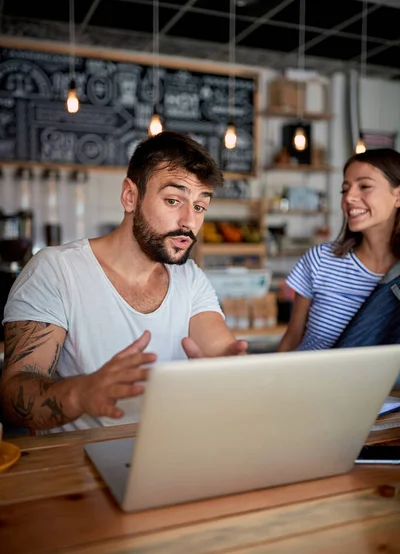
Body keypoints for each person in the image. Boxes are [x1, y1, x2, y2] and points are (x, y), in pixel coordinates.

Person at [0, 131, 247, 433]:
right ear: (130, 196)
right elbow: (13, 395)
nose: (189, 221)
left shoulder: (190, 279)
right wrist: (82, 393)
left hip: (166, 458)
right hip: (76, 465)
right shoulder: (56, 271)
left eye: (199, 207)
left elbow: (219, 350)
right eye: (173, 200)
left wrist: (231, 370)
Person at [278, 148, 400, 352]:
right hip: (309, 382)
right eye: (345, 189)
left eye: (364, 186)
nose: (349, 197)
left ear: (397, 196)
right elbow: (292, 337)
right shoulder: (320, 260)